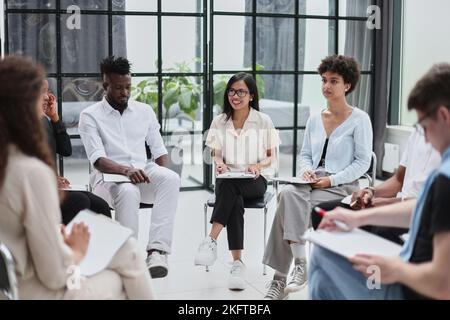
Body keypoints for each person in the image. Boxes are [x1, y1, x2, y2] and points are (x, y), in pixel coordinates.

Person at [0, 55, 154, 300]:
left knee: (124, 248)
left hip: (11, 282)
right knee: (127, 263)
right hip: (34, 289)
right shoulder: (29, 173)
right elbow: (55, 275)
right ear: (23, 106)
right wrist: (77, 251)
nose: (47, 99)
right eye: (40, 95)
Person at [309, 63, 450, 300]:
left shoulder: (445, 179)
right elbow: (423, 206)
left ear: (443, 116)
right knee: (323, 271)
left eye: (424, 126)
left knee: (322, 259)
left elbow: (443, 285)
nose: (423, 135)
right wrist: (359, 216)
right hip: (409, 272)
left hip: (410, 289)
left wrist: (396, 270)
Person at [262, 55, 373, 300]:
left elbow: (362, 162)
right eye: (324, 80)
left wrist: (330, 180)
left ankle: (281, 279)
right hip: (310, 183)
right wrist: (306, 171)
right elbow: (304, 155)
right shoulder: (314, 119)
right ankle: (300, 265)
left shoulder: (360, 119)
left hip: (341, 186)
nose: (326, 86)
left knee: (285, 200)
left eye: (334, 81)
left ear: (347, 85)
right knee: (290, 194)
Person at [78, 56, 180, 279]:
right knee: (127, 190)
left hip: (142, 171)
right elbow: (97, 159)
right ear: (105, 86)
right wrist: (125, 170)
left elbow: (159, 151)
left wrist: (161, 180)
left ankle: (157, 251)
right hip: (108, 179)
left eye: (128, 87)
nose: (124, 93)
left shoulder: (144, 111)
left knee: (171, 179)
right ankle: (128, 256)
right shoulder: (90, 116)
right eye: (118, 88)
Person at [194, 72, 280, 291]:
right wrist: (220, 163)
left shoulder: (263, 121)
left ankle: (211, 240)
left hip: (255, 180)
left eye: (241, 91)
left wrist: (257, 166)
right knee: (232, 194)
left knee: (229, 188)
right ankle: (237, 263)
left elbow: (271, 156)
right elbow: (216, 154)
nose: (235, 96)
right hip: (228, 180)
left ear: (251, 95)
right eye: (232, 91)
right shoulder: (219, 121)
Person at [311, 129, 441, 244]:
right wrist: (371, 191)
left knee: (382, 229)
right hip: (400, 203)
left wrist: (390, 203)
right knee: (323, 213)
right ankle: (340, 269)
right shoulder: (418, 131)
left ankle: (369, 270)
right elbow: (398, 179)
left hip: (423, 214)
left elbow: (436, 203)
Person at [40, 79, 112, 225]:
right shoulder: (15, 125)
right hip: (33, 191)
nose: (47, 97)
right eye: (41, 92)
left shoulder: (43, 121)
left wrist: (54, 119)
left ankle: (100, 247)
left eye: (47, 92)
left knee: (100, 206)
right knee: (80, 201)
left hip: (48, 186)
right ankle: (64, 246)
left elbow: (66, 150)